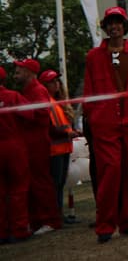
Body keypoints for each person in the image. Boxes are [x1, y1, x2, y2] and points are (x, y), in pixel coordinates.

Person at [82, 7, 128, 243]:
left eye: (118, 22)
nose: (114, 27)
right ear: (105, 27)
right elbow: (88, 92)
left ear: (124, 25)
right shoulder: (93, 57)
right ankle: (105, 225)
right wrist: (94, 118)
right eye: (110, 23)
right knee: (110, 172)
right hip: (106, 124)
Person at [11, 59, 60, 235]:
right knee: (33, 182)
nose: (15, 72)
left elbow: (41, 114)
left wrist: (20, 109)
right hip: (30, 142)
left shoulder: (37, 90)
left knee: (41, 181)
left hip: (37, 142)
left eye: (19, 69)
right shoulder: (28, 90)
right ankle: (38, 220)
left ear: (30, 72)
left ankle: (50, 220)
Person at [37, 70, 76, 224]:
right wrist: (67, 134)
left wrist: (70, 133)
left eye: (57, 81)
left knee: (59, 184)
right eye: (52, 82)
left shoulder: (57, 102)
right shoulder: (48, 102)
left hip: (63, 148)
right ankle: (55, 215)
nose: (56, 84)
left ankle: (58, 214)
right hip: (55, 149)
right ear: (45, 85)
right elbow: (49, 128)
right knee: (55, 185)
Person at [0, 66, 33, 243]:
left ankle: (2, 232)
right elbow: (30, 114)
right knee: (19, 189)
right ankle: (19, 230)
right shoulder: (13, 96)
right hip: (14, 146)